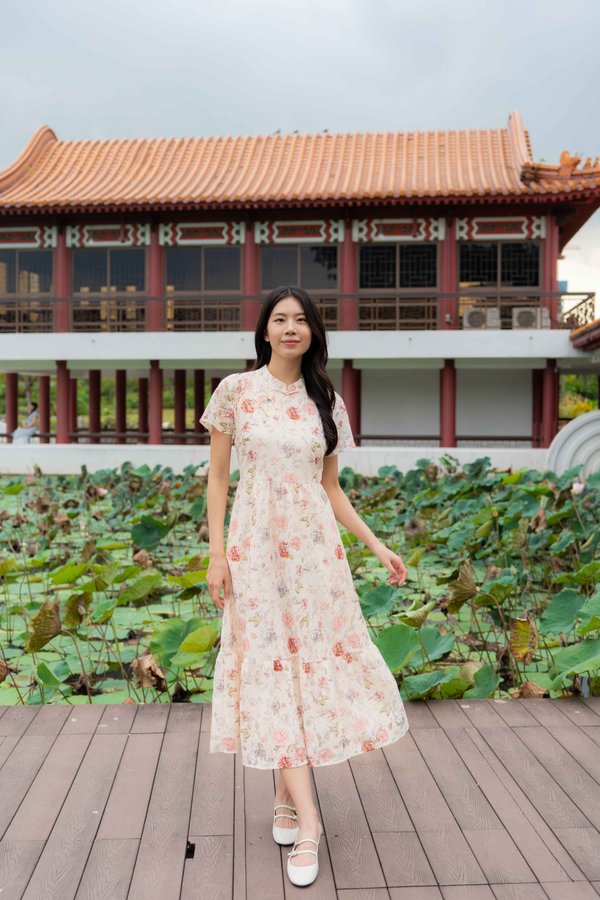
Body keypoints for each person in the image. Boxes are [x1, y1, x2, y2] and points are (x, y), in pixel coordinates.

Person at [200, 284, 410, 887]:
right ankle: (310, 820)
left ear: (314, 332)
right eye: (280, 319)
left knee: (302, 666)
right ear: (264, 330)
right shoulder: (235, 392)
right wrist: (217, 553)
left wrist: (375, 544)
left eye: (301, 321)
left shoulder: (328, 401)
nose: (291, 328)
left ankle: (284, 799)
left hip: (315, 552)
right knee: (266, 663)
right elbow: (218, 479)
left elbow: (331, 487)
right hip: (255, 549)